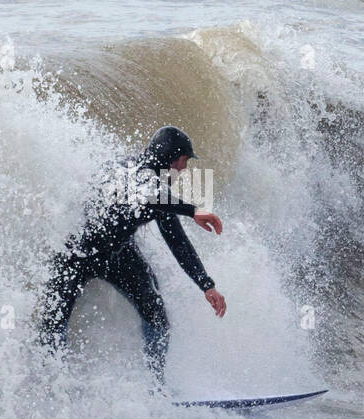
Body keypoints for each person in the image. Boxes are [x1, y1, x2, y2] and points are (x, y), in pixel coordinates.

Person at [35, 126, 226, 388]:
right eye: (184, 161)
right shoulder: (135, 173)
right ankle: (48, 385)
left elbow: (177, 242)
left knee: (157, 315)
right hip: (77, 253)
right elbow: (145, 193)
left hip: (118, 254)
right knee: (53, 325)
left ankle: (154, 387)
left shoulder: (161, 191)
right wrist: (193, 210)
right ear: (171, 157)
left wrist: (206, 284)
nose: (183, 169)